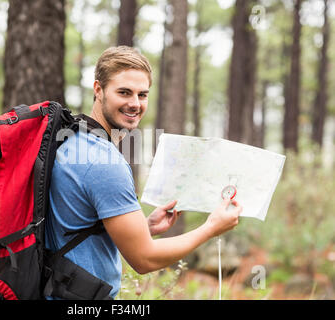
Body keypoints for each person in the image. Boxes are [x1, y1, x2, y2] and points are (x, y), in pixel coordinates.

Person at [45, 46, 242, 299]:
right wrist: (211, 228)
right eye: (124, 92)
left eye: (142, 94)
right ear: (98, 90)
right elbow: (144, 260)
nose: (135, 104)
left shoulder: (72, 140)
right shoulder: (103, 162)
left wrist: (143, 228)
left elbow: (74, 222)